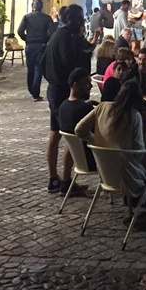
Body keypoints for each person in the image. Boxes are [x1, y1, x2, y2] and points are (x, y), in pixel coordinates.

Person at [42, 4, 98, 193]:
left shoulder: (56, 35)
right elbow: (70, 63)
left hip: (55, 89)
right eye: (80, 19)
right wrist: (72, 84)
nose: (82, 23)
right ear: (71, 20)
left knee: (56, 133)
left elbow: (43, 63)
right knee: (70, 134)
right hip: (63, 92)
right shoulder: (66, 37)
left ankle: (55, 179)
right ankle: (65, 181)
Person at [75, 79, 146, 199]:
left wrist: (97, 142)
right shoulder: (134, 116)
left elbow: (79, 129)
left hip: (105, 172)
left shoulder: (102, 107)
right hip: (126, 175)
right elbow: (138, 153)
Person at [57, 67, 96, 196]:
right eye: (87, 83)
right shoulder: (85, 109)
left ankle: (66, 181)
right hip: (94, 159)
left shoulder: (63, 107)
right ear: (76, 85)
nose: (90, 86)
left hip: (78, 158)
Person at [17, 0, 55, 101]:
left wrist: (27, 39)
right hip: (41, 45)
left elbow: (20, 31)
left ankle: (31, 89)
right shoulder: (47, 18)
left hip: (30, 45)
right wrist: (45, 40)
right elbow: (52, 32)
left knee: (30, 68)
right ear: (41, 7)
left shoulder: (27, 17)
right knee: (38, 68)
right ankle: (35, 93)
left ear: (32, 6)